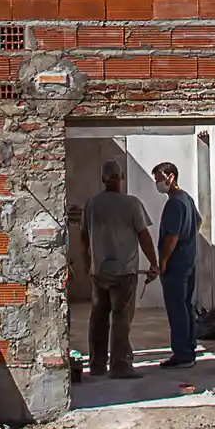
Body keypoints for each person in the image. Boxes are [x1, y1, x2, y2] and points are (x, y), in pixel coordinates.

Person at [79, 160, 159, 379]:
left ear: (103, 179)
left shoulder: (92, 203)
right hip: (124, 273)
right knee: (121, 319)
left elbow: (84, 237)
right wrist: (154, 263)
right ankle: (120, 366)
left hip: (100, 271)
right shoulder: (132, 204)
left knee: (98, 318)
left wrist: (88, 262)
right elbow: (144, 236)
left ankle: (96, 365)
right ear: (121, 178)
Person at [153, 160, 201, 368]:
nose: (157, 184)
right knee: (186, 305)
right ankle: (190, 347)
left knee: (176, 307)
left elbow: (171, 237)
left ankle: (182, 353)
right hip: (189, 260)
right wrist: (189, 240)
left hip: (176, 264)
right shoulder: (187, 199)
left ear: (171, 177)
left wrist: (163, 261)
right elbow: (198, 222)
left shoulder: (174, 202)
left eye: (159, 179)